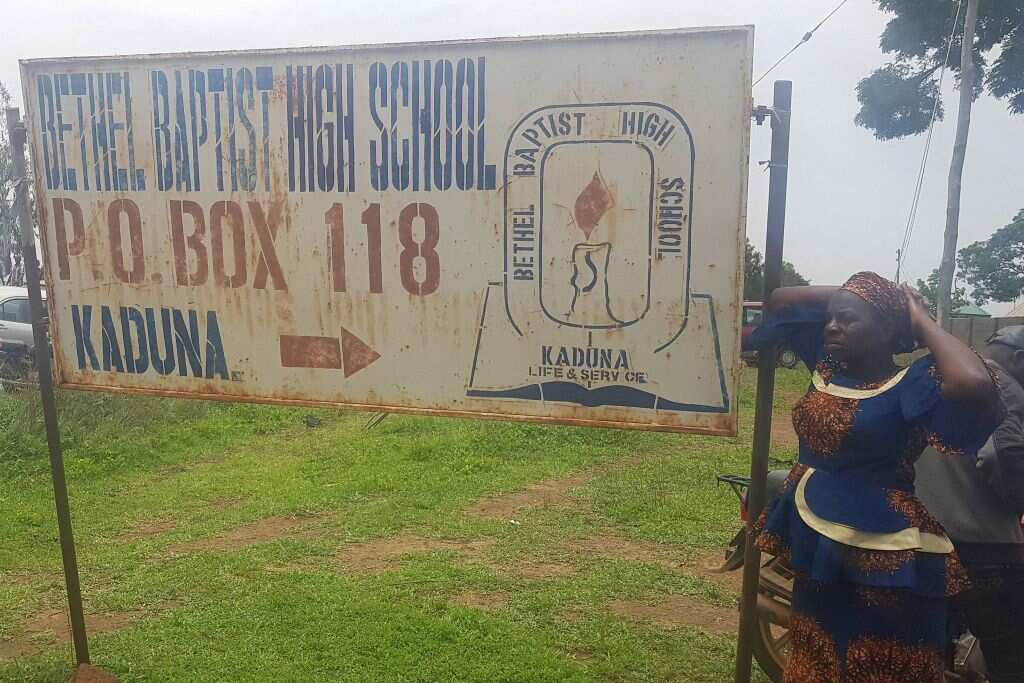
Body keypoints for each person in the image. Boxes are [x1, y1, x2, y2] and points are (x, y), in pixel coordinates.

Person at [749, 272, 1001, 682]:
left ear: (886, 329)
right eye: (831, 319)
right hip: (816, 540)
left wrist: (919, 318)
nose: (833, 326)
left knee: (880, 661)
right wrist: (865, 292)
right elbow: (780, 298)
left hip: (885, 554)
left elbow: (971, 382)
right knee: (815, 650)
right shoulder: (828, 366)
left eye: (849, 320)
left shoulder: (911, 384)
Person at [915, 325, 1024, 683]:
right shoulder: (1004, 386)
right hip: (985, 548)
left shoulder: (943, 374)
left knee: (930, 653)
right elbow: (1000, 455)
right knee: (1011, 660)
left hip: (924, 539)